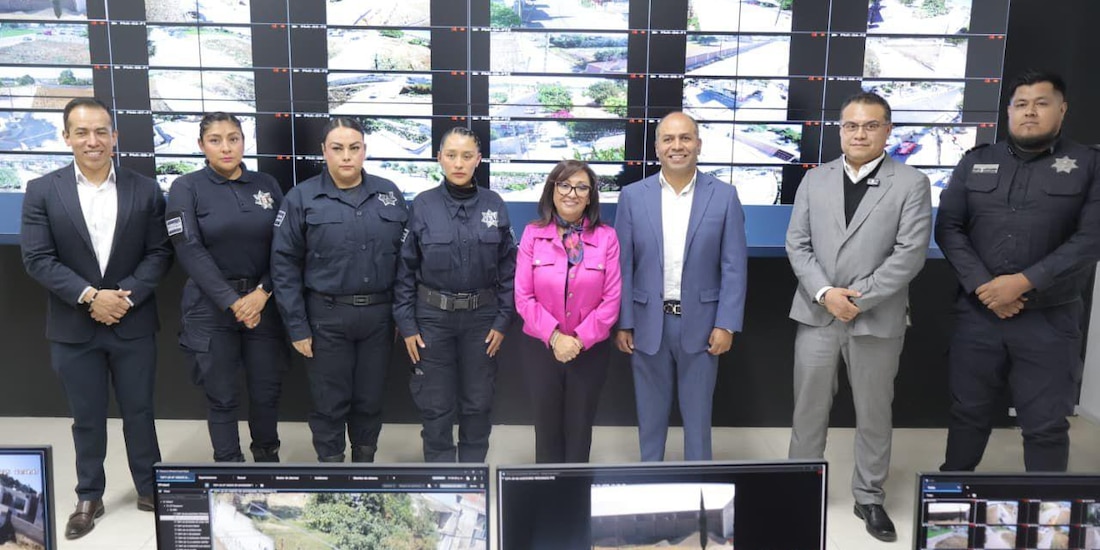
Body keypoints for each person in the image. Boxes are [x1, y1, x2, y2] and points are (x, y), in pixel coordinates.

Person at [20, 97, 172, 539]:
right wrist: (90, 298)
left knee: (140, 411)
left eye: (102, 131)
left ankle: (150, 488)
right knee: (86, 416)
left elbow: (159, 252)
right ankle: (89, 495)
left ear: (114, 136)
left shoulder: (146, 189)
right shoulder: (42, 190)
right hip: (74, 327)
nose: (93, 140)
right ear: (66, 137)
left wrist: (123, 297)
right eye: (82, 132)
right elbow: (37, 258)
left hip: (132, 318)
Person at [785, 92, 932, 543]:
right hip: (817, 312)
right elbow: (797, 244)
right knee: (808, 408)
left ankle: (869, 496)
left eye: (871, 125)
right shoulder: (815, 179)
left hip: (876, 317)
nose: (860, 134)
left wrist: (857, 299)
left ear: (888, 130)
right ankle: (800, 487)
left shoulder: (911, 183)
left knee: (873, 412)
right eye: (851, 125)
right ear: (840, 130)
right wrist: (826, 293)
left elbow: (910, 254)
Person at [936, 70, 1100, 473]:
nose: (1030, 112)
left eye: (1042, 103)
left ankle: (1044, 508)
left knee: (1045, 424)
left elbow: (1091, 238)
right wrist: (985, 287)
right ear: (1008, 111)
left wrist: (1023, 283)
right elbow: (949, 228)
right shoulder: (976, 161)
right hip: (979, 315)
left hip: (1050, 319)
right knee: (967, 412)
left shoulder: (1089, 164)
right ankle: (952, 492)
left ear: (1062, 109)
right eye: (1021, 104)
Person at [270, 117, 407, 463]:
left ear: (364, 150)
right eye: (338, 148)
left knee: (370, 400)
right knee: (329, 402)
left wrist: (401, 317)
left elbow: (406, 260)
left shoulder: (389, 194)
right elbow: (284, 266)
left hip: (378, 317)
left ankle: (364, 468)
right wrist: (297, 326)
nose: (346, 156)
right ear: (324, 151)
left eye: (354, 148)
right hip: (325, 317)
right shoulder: (302, 197)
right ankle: (332, 472)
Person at [615, 111, 747, 462]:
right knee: (649, 418)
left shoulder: (724, 196)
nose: (677, 146)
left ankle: (698, 481)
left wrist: (726, 324)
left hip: (702, 325)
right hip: (647, 323)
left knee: (698, 419)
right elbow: (623, 265)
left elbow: (734, 266)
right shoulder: (632, 196)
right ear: (657, 147)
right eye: (669, 139)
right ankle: (650, 479)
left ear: (698, 144)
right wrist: (624, 322)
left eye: (685, 138)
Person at [165, 112, 288, 463]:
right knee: (221, 396)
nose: (226, 147)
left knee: (266, 392)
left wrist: (262, 292)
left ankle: (267, 464)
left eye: (233, 138)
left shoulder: (266, 184)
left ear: (243, 142)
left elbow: (285, 245)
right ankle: (229, 469)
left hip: (263, 304)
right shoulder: (186, 187)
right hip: (211, 307)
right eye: (215, 140)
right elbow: (189, 248)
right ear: (201, 145)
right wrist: (234, 302)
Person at [394, 126, 517, 463]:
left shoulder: (494, 204)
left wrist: (503, 320)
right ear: (439, 158)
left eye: (466, 156)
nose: (459, 163)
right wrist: (407, 325)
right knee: (435, 404)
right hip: (432, 319)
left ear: (479, 159)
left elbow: (510, 269)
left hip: (482, 320)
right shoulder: (423, 205)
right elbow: (404, 269)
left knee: (478, 401)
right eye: (451, 155)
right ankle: (441, 477)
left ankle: (473, 476)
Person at [514, 160, 621, 463]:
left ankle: (575, 488)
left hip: (589, 350)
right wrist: (555, 337)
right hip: (541, 348)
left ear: (590, 196)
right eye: (564, 185)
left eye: (581, 187)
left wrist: (579, 340)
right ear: (552, 190)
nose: (572, 193)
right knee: (546, 429)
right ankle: (547, 486)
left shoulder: (607, 237)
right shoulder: (533, 234)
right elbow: (523, 296)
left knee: (579, 429)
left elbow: (611, 299)